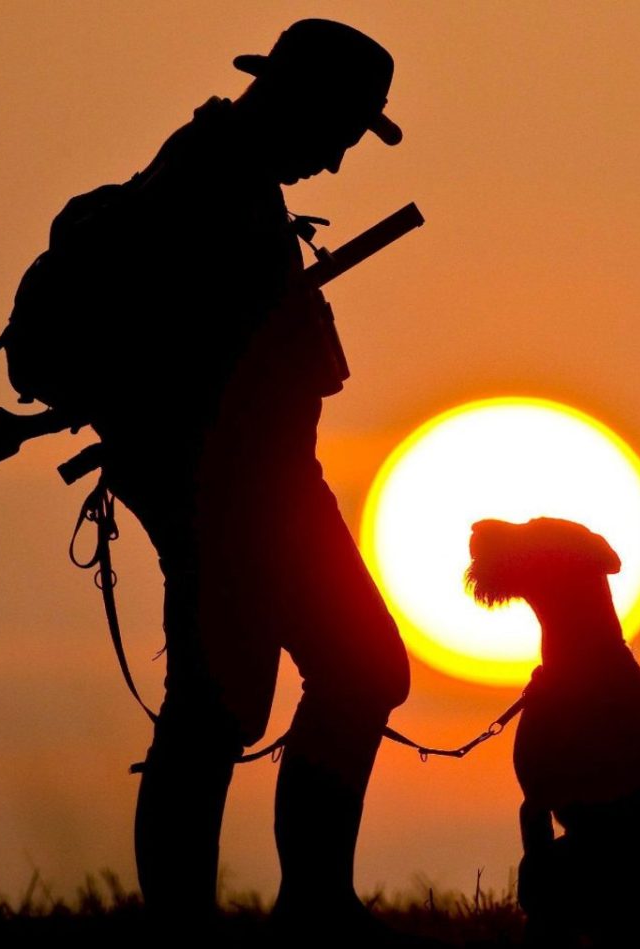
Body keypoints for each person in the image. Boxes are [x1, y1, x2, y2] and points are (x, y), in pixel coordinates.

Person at [85, 19, 411, 926]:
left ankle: (310, 907)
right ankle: (243, 918)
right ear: (300, 100)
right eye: (339, 132)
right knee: (225, 702)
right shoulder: (210, 182)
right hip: (227, 488)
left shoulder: (220, 172)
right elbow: (197, 357)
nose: (337, 161)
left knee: (337, 672)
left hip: (263, 485)